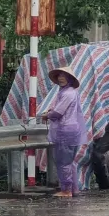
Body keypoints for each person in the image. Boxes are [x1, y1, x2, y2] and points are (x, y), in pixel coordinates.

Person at [40, 66, 85, 198]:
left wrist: (47, 115)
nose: (61, 78)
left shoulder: (67, 94)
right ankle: (74, 189)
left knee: (63, 162)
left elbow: (59, 113)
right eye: (59, 76)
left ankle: (66, 190)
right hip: (73, 130)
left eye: (64, 76)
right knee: (70, 162)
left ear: (69, 78)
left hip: (65, 131)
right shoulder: (70, 92)